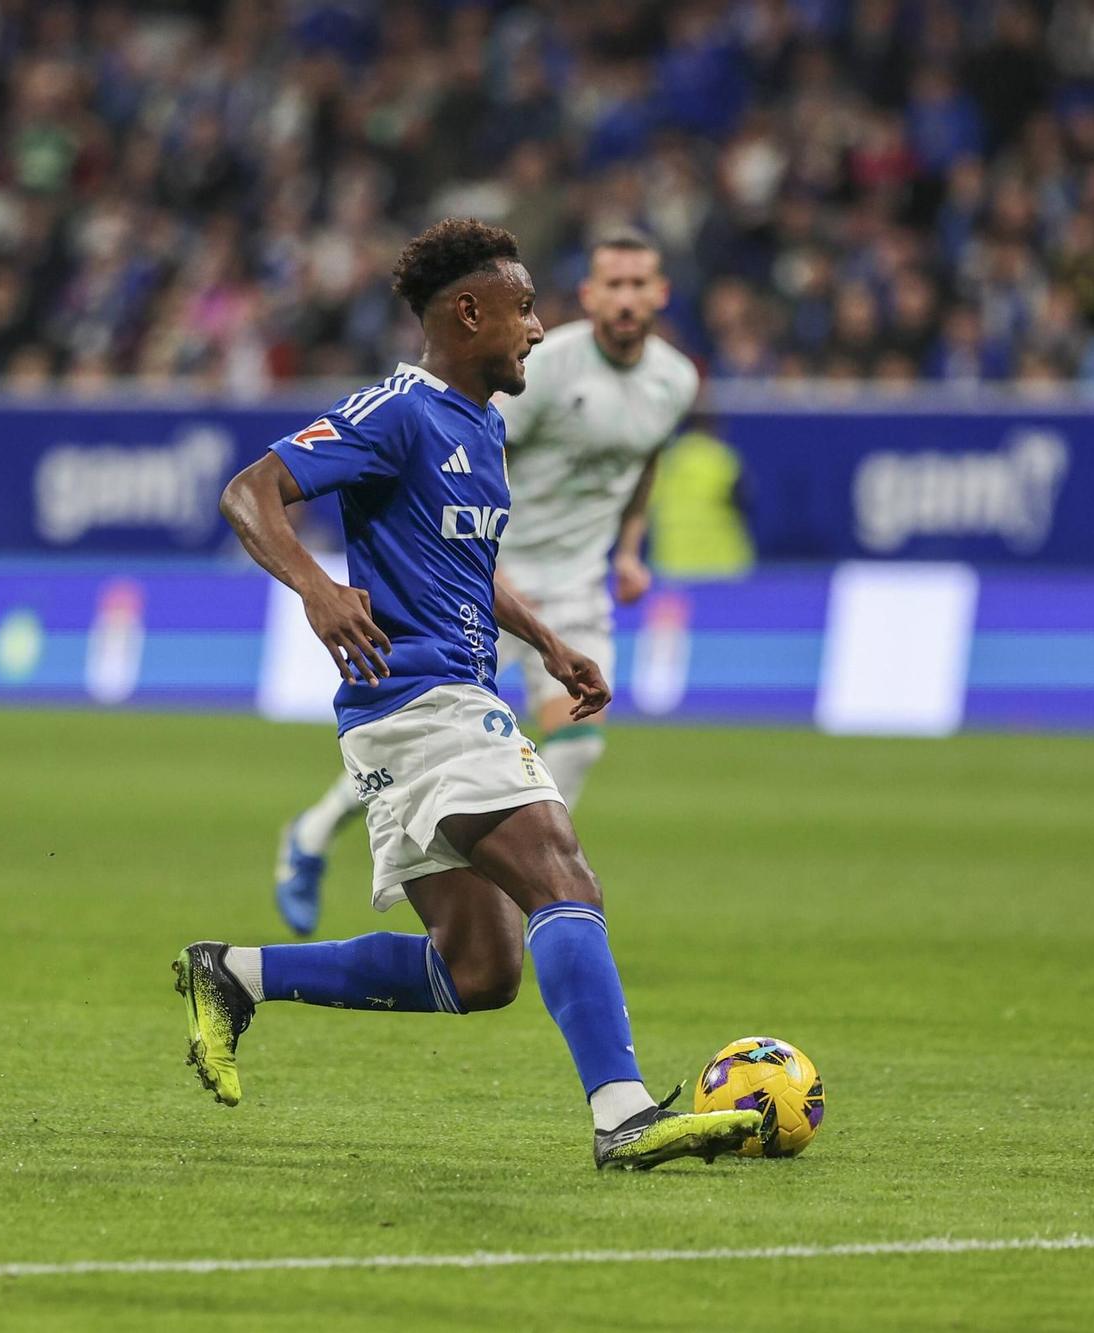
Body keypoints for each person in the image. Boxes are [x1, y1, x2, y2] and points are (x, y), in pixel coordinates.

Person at [175, 218, 756, 1170]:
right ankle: (622, 1114)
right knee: (563, 873)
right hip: (427, 702)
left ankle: (232, 974)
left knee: (482, 970)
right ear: (470, 311)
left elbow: (468, 565)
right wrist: (319, 590)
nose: (537, 328)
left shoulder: (481, 424)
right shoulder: (397, 410)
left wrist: (553, 642)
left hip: (415, 713)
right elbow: (251, 490)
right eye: (524, 309)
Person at [271, 228, 698, 937]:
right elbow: (464, 447)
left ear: (660, 293)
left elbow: (642, 461)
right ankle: (317, 830)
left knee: (578, 739)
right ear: (590, 295)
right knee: (433, 733)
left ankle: (519, 868)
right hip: (491, 568)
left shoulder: (676, 379)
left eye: (639, 284)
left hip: (575, 581)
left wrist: (628, 548)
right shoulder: (543, 366)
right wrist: (462, 561)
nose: (626, 299)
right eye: (612, 285)